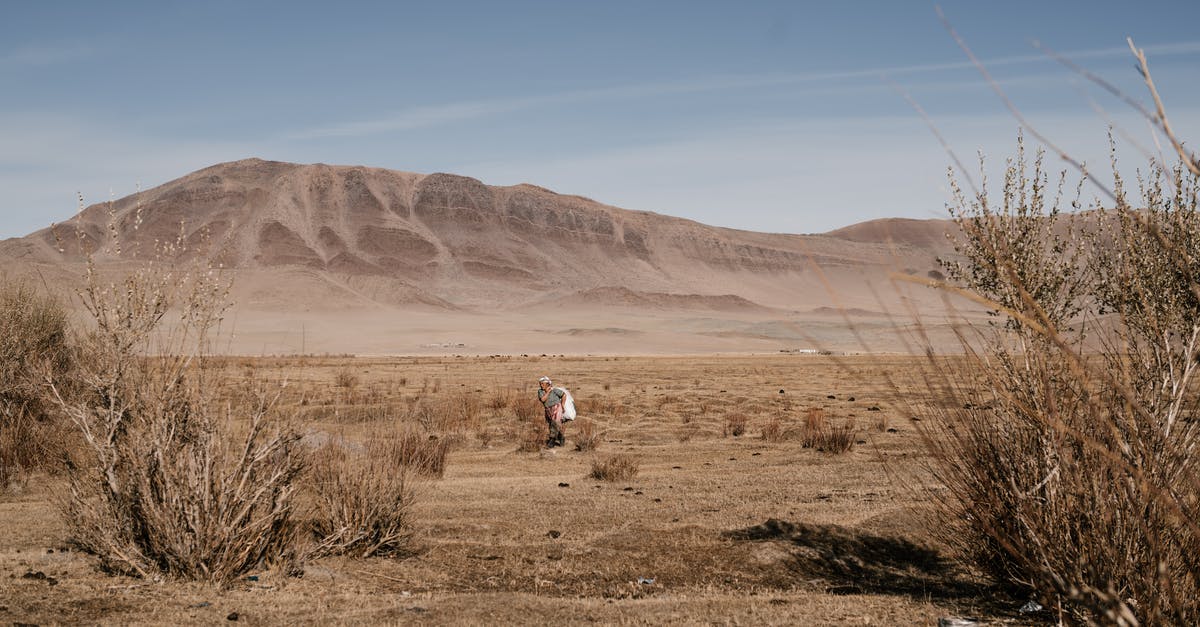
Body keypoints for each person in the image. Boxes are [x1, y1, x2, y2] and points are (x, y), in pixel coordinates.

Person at [537, 375, 566, 448]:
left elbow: (563, 395)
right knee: (552, 424)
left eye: (542, 384)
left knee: (555, 422)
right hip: (548, 409)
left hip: (557, 407)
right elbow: (543, 399)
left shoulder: (555, 390)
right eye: (540, 384)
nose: (541, 385)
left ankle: (552, 440)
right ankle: (561, 437)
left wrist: (562, 405)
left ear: (547, 384)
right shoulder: (540, 391)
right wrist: (548, 392)